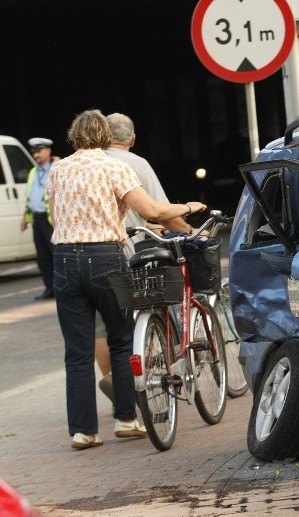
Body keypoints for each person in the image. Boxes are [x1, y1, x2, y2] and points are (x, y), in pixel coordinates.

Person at [45, 108, 207, 450]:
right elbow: (153, 212)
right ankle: (126, 420)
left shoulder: (58, 169)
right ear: (105, 137)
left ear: (74, 137)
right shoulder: (114, 166)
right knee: (120, 340)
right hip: (104, 256)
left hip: (63, 260)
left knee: (77, 351)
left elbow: (56, 211)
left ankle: (83, 431)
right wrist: (189, 207)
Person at [94, 112, 195, 402]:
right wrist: (190, 229)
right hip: (134, 250)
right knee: (159, 304)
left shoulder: (87, 163)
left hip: (92, 253)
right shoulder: (136, 163)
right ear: (133, 139)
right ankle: (159, 364)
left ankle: (118, 389)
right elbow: (160, 211)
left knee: (103, 325)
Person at [20, 137, 57, 300]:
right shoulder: (33, 172)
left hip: (51, 220)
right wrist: (25, 218)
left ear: (48, 151)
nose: (36, 155)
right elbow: (30, 197)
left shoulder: (56, 169)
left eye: (39, 151)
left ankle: (60, 288)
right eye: (34, 152)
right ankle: (49, 288)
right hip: (37, 218)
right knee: (42, 257)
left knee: (55, 254)